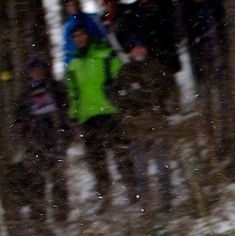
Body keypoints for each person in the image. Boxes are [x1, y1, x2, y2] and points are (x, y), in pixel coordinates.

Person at [66, 23, 134, 212]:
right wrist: (74, 116)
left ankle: (133, 191)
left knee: (122, 154)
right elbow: (73, 94)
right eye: (75, 36)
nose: (79, 39)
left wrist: (121, 101)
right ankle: (105, 198)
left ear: (89, 35)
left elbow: (121, 78)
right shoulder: (73, 65)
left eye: (82, 34)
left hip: (110, 112)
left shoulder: (105, 55)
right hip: (87, 118)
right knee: (97, 162)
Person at [111, 39, 175, 213]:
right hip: (135, 127)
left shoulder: (156, 68)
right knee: (140, 169)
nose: (138, 51)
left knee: (162, 164)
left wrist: (161, 104)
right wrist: (128, 104)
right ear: (130, 52)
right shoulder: (125, 71)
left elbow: (167, 90)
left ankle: (167, 200)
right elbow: (116, 94)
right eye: (135, 48)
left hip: (156, 121)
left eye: (141, 47)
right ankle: (145, 204)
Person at [15, 56, 71, 224]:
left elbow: (66, 111)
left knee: (58, 180)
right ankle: (39, 220)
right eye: (34, 70)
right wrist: (26, 138)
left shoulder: (55, 88)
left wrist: (66, 133)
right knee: (37, 182)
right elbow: (19, 119)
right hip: (36, 143)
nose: (37, 73)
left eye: (40, 69)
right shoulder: (25, 95)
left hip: (56, 140)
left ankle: (62, 216)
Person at [114, 0, 182, 77]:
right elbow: (124, 32)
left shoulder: (163, 5)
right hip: (148, 62)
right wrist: (133, 46)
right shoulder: (132, 10)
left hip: (165, 58)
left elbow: (175, 27)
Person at [63, 0, 106, 65]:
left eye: (74, 4)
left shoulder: (92, 19)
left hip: (97, 58)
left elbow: (102, 37)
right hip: (80, 63)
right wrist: (72, 65)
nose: (73, 7)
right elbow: (68, 51)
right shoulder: (67, 28)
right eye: (70, 5)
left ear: (78, 4)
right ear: (67, 8)